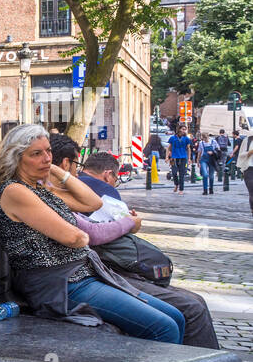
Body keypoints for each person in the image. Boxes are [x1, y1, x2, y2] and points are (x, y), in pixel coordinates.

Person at [0, 124, 185, 342]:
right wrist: (80, 236)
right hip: (61, 284)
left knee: (177, 316)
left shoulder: (39, 189)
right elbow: (76, 237)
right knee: (165, 327)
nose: (46, 158)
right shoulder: (15, 191)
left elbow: (94, 202)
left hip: (83, 274)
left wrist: (54, 169)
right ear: (16, 158)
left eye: (48, 151)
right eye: (36, 154)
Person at [69, 150, 219, 349]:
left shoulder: (66, 190)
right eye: (72, 167)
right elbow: (92, 234)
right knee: (189, 309)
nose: (76, 175)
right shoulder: (89, 190)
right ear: (108, 174)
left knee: (193, 303)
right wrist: (129, 222)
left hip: (100, 269)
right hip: (102, 270)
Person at [166, 125, 191, 193]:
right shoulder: (173, 138)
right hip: (174, 158)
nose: (184, 131)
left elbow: (188, 149)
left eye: (185, 129)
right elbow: (168, 148)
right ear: (179, 129)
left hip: (183, 157)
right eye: (183, 129)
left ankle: (181, 189)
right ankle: (176, 184)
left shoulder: (186, 139)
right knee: (174, 173)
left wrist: (189, 158)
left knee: (182, 174)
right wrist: (167, 157)